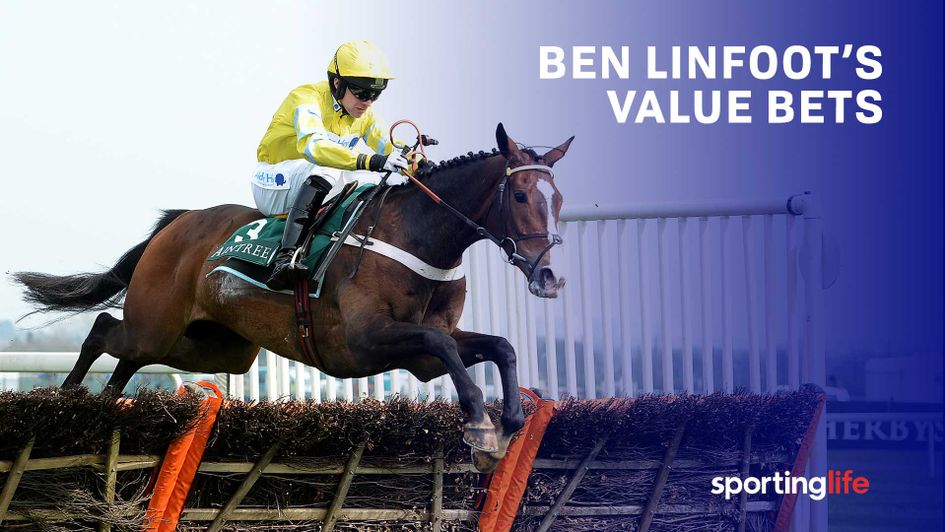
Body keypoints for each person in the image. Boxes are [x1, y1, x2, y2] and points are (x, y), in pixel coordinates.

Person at [253, 40, 409, 290]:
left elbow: (390, 146)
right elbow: (314, 148)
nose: (368, 102)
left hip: (309, 181)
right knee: (328, 167)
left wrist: (416, 161)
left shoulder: (364, 114)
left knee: (372, 181)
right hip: (273, 182)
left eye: (375, 95)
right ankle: (286, 257)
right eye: (361, 93)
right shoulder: (306, 98)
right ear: (337, 83)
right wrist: (371, 160)